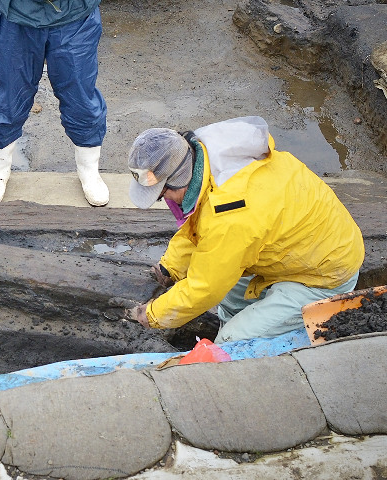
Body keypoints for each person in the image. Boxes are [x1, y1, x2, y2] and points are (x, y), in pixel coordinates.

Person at [122, 116, 365, 343]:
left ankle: (255, 356)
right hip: (297, 248)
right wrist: (171, 266)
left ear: (180, 177)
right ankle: (241, 321)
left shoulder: (230, 214)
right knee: (229, 293)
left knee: (232, 342)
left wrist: (152, 315)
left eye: (163, 193)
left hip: (322, 275)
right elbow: (199, 229)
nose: (166, 200)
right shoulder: (209, 158)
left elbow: (204, 288)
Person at [0, 0, 109, 206]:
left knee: (80, 97)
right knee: (10, 98)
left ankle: (89, 170)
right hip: (18, 13)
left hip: (75, 13)